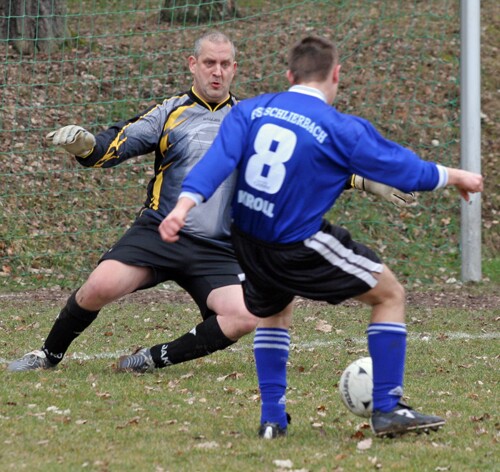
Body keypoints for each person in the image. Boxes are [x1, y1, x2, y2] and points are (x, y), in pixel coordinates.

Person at [7, 32, 414, 375]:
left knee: (245, 316)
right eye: (208, 63)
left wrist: (362, 179)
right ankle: (48, 355)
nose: (217, 71)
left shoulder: (252, 119)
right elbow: (115, 144)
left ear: (235, 68)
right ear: (193, 65)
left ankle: (150, 359)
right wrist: (85, 146)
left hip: (219, 247)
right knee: (100, 285)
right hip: (160, 231)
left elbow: (300, 165)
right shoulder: (170, 112)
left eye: (224, 64)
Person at [158, 36, 483, 439]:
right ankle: (387, 408)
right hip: (297, 245)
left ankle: (272, 420)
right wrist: (456, 176)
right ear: (336, 74)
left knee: (274, 312)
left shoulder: (250, 110)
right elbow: (405, 170)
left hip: (248, 240)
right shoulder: (340, 128)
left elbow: (217, 161)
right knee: (389, 294)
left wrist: (183, 206)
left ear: (289, 75)